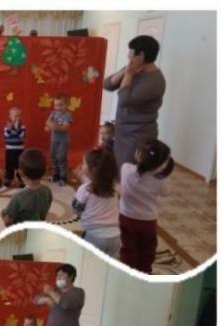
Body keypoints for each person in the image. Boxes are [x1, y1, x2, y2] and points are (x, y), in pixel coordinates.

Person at [103, 35, 166, 169]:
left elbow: (125, 100)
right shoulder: (132, 69)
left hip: (138, 136)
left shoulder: (155, 80)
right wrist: (126, 71)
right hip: (122, 132)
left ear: (141, 55)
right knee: (120, 170)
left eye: (131, 52)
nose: (128, 56)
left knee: (130, 172)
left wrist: (129, 74)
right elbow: (107, 85)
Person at [119, 139, 174, 273]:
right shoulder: (160, 179)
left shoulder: (126, 169)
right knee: (148, 249)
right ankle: (145, 271)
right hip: (148, 221)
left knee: (128, 246)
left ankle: (128, 271)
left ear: (139, 154)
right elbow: (166, 193)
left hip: (126, 217)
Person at [72, 148, 121, 259]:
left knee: (89, 262)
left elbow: (76, 209)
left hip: (94, 236)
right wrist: (82, 177)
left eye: (84, 163)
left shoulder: (84, 189)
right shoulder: (114, 187)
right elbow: (96, 184)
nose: (82, 166)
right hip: (115, 236)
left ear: (92, 170)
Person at [1, 148, 52, 226]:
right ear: (45, 171)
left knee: (3, 212)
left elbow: (8, 222)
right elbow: (44, 212)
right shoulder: (47, 191)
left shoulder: (18, 196)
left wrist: (3, 215)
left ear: (20, 172)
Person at [45, 94, 72, 186]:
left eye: (61, 105)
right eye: (56, 105)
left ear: (66, 105)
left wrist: (53, 126)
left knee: (61, 158)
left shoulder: (67, 115)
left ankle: (63, 177)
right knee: (53, 157)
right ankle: (56, 175)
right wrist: (50, 126)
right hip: (54, 140)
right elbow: (47, 122)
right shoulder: (53, 113)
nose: (58, 108)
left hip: (63, 141)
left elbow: (65, 127)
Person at [3, 107, 26, 187]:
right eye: (15, 116)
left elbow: (22, 136)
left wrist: (17, 129)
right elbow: (6, 136)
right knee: (9, 164)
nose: (17, 118)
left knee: (19, 165)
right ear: (10, 116)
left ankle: (20, 179)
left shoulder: (22, 126)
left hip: (19, 149)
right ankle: (8, 178)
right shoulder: (7, 126)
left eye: (18, 116)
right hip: (10, 149)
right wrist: (10, 129)